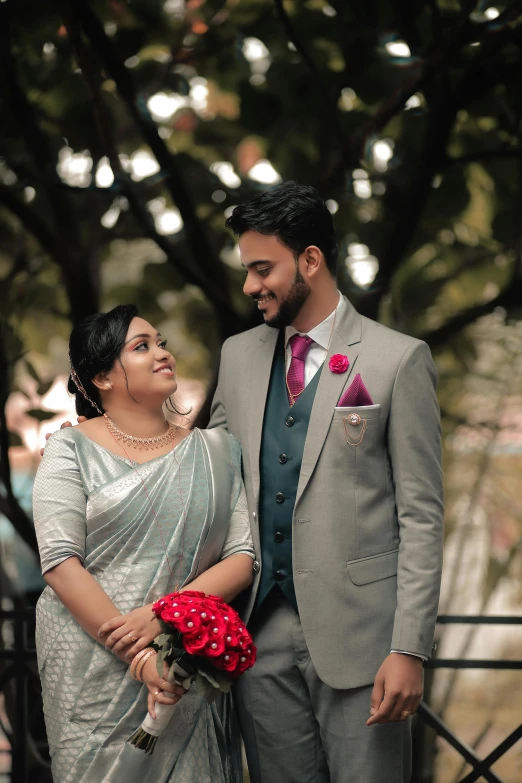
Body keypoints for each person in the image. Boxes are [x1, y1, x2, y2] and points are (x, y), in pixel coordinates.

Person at [208, 181, 444, 782]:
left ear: (310, 260)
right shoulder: (237, 355)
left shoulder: (397, 359)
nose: (249, 287)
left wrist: (409, 648)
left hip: (363, 642)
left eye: (263, 268)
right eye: (245, 269)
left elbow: (421, 515)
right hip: (258, 637)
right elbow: (205, 477)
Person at [33, 304, 255, 783]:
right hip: (89, 668)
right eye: (142, 347)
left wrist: (167, 619)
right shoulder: (68, 449)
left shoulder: (216, 452)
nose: (162, 354)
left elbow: (242, 556)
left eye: (161, 343)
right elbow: (59, 561)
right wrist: (139, 657)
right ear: (102, 377)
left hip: (182, 660)